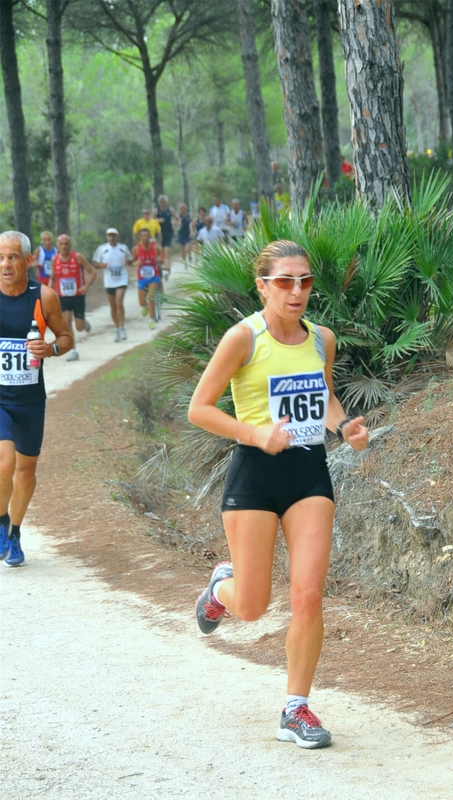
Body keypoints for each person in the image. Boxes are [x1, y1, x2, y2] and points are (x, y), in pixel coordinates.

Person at [189, 240, 369, 749]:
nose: (297, 291)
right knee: (251, 606)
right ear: (263, 285)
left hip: (309, 475)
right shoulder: (241, 338)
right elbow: (199, 409)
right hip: (255, 474)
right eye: (285, 281)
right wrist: (256, 433)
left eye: (305, 281)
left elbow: (326, 393)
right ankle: (220, 591)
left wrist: (344, 428)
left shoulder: (322, 339)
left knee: (308, 594)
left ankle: (296, 707)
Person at [0, 230, 73, 567]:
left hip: (30, 398)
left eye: (13, 257)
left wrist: (52, 349)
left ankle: (14, 532)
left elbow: (66, 337)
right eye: (1, 257)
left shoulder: (44, 297)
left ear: (28, 260)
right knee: (5, 462)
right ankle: (1, 526)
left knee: (26, 471)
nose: (5, 264)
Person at [49, 234, 96, 362]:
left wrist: (86, 286)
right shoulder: (55, 259)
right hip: (63, 297)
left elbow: (92, 272)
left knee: (79, 327)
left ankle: (84, 323)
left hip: (77, 296)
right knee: (67, 322)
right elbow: (53, 277)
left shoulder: (78, 257)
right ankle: (74, 351)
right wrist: (49, 292)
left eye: (66, 244)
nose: (64, 246)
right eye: (61, 244)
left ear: (70, 245)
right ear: (58, 245)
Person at [92, 228, 133, 342]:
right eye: (110, 236)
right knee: (113, 306)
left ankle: (122, 327)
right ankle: (117, 328)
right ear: (107, 237)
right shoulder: (102, 249)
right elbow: (94, 262)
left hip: (121, 279)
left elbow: (130, 260)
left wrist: (129, 262)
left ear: (117, 237)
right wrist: (101, 265)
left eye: (114, 235)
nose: (112, 238)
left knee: (119, 303)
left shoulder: (123, 248)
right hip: (109, 280)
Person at [132, 227, 163, 329]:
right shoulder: (136, 249)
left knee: (151, 297)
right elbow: (132, 262)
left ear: (150, 236)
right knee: (141, 302)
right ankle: (145, 306)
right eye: (143, 236)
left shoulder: (155, 247)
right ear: (140, 237)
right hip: (142, 277)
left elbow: (161, 259)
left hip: (154, 275)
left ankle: (151, 320)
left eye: (147, 236)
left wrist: (159, 259)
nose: (145, 238)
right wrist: (136, 263)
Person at [154, 195, 178, 276]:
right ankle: (163, 267)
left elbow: (177, 218)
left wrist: (174, 222)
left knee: (167, 251)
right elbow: (150, 220)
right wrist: (157, 220)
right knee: (161, 251)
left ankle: (167, 269)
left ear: (166, 202)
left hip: (169, 233)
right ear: (159, 202)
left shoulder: (170, 210)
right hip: (159, 234)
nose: (162, 203)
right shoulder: (156, 211)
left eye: (164, 201)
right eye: (161, 201)